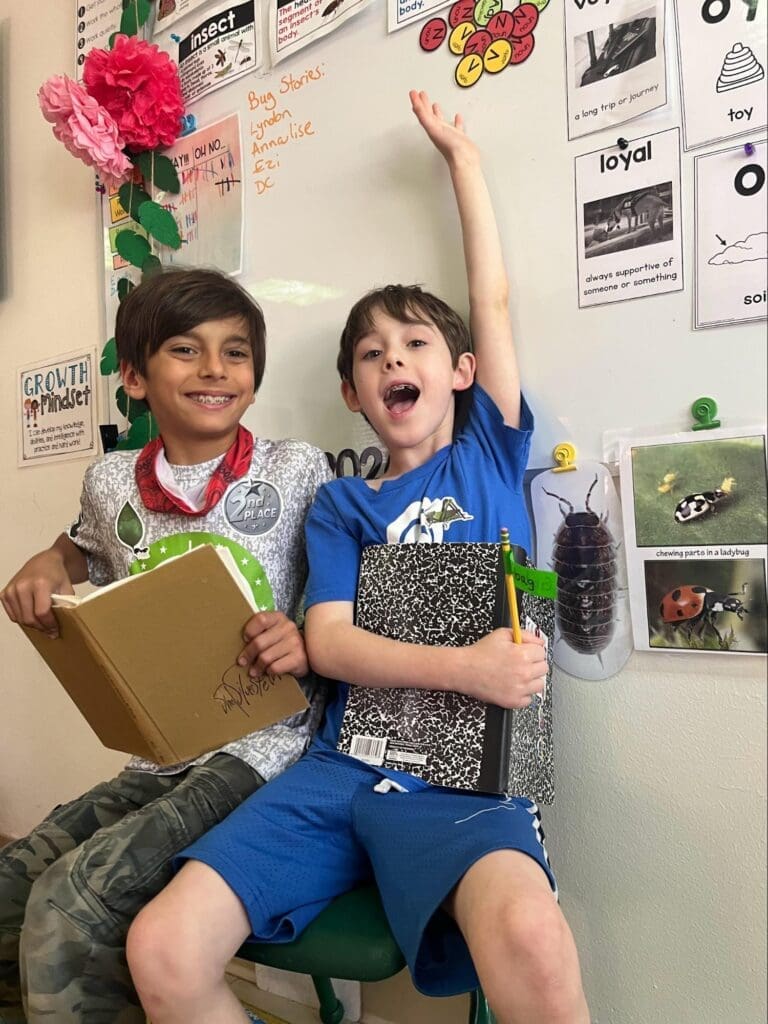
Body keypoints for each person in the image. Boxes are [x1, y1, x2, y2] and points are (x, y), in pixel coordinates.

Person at [127, 93, 590, 1024]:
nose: (395, 362)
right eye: (373, 355)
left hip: (467, 783)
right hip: (340, 768)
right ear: (353, 392)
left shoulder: (490, 456)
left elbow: (488, 298)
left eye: (417, 344)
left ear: (458, 372)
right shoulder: (344, 504)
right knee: (163, 947)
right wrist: (465, 666)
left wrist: (463, 161)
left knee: (536, 944)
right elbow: (329, 643)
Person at [0, 268, 330, 1024]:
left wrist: (308, 631)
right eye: (186, 350)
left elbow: (346, 585)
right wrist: (51, 564)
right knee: (11, 889)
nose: (215, 369)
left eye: (236, 352)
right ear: (136, 377)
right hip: (159, 750)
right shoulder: (110, 482)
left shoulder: (298, 467)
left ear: (254, 375)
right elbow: (79, 545)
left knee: (69, 909)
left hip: (263, 750)